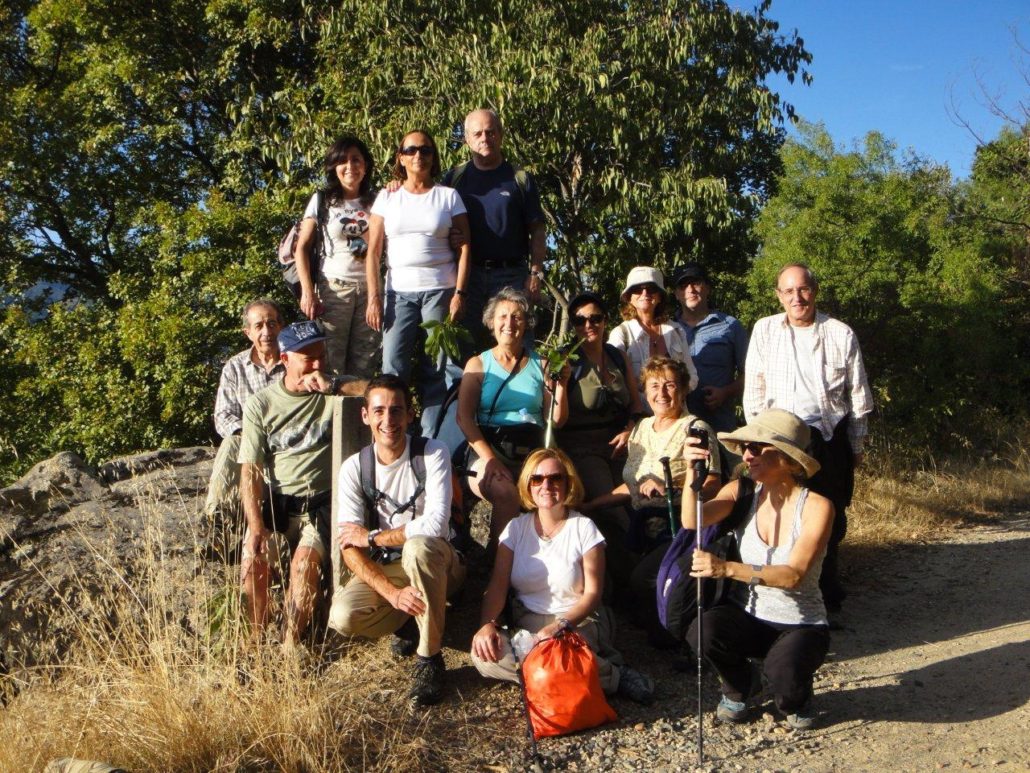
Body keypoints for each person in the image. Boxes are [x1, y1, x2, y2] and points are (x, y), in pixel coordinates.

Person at [683, 409, 833, 730]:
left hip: (801, 623)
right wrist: (691, 475)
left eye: (756, 447)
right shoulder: (742, 492)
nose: (747, 455)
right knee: (703, 631)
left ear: (787, 458)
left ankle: (796, 692)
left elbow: (793, 576)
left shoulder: (817, 507)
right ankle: (741, 685)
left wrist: (726, 568)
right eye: (744, 447)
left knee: (784, 683)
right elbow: (691, 520)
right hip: (749, 615)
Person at [470, 448, 655, 704]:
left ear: (568, 483)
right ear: (528, 485)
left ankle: (611, 677)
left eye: (555, 478)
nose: (546, 485)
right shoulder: (515, 529)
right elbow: (497, 587)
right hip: (529, 625)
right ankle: (569, 674)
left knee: (558, 652)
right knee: (483, 656)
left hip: (576, 622)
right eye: (537, 479)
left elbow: (593, 594)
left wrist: (560, 625)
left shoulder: (583, 527)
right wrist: (487, 624)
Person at [328, 374, 465, 705]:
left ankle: (429, 660)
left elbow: (436, 525)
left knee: (418, 547)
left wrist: (373, 538)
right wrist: (391, 593)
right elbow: (349, 545)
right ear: (365, 416)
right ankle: (406, 619)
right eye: (379, 411)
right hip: (391, 566)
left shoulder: (432, 453)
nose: (388, 420)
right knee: (343, 615)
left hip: (441, 560)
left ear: (410, 414)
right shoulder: (354, 468)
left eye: (396, 410)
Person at [743, 263, 873, 611]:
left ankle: (825, 597)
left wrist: (856, 446)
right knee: (779, 511)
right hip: (778, 439)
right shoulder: (765, 330)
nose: (797, 298)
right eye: (788, 291)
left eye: (803, 289)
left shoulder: (840, 333)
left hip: (826, 438)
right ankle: (778, 597)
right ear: (778, 295)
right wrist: (756, 443)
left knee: (829, 516)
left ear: (814, 291)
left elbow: (858, 396)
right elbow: (754, 390)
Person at [237, 320, 366, 649]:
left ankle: (290, 645)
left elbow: (379, 392)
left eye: (321, 355)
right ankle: (255, 639)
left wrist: (334, 385)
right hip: (279, 502)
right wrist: (255, 526)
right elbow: (250, 470)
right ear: (285, 359)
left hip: (320, 502)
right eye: (308, 358)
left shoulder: (333, 389)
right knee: (252, 560)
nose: (317, 364)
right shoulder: (261, 405)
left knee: (304, 564)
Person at [582, 356, 721, 642]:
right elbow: (633, 485)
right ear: (645, 392)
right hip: (641, 525)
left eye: (670, 384)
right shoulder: (642, 428)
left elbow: (713, 483)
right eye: (654, 386)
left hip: (677, 527)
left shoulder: (695, 428)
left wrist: (671, 489)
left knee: (640, 578)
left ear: (684, 389)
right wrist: (588, 507)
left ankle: (672, 628)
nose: (662, 393)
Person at [365, 130, 472, 437]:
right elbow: (373, 252)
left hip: (440, 289)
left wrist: (459, 294)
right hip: (397, 292)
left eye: (425, 150)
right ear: (401, 157)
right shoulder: (387, 196)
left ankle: (430, 440)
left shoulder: (448, 196)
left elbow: (466, 247)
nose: (418, 156)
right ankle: (391, 437)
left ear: (433, 156)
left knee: (436, 368)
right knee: (393, 367)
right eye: (411, 150)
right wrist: (374, 298)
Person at [456, 288, 569, 548]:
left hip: (532, 450)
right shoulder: (478, 364)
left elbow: (556, 420)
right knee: (506, 492)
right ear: (491, 322)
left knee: (556, 491)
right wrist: (490, 460)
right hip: (489, 449)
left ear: (526, 323)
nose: (510, 323)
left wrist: (561, 385)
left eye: (517, 317)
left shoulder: (542, 364)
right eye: (503, 316)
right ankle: (500, 562)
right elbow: (464, 418)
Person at [555, 291, 640, 593]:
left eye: (595, 318)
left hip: (622, 443)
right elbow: (557, 420)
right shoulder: (566, 359)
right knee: (613, 510)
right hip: (582, 448)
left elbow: (635, 403)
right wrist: (561, 382)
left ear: (605, 321)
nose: (588, 325)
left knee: (642, 502)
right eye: (580, 321)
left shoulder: (617, 356)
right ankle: (630, 581)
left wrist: (630, 428)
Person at [442, 108, 547, 349]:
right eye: (477, 133)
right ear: (467, 139)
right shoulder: (454, 179)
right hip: (467, 277)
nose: (484, 138)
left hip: (511, 276)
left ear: (500, 135)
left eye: (490, 132)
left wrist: (535, 273)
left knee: (517, 346)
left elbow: (537, 230)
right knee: (462, 348)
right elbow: (434, 222)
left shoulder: (520, 178)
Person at [292, 136, 379, 377]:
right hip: (334, 289)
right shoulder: (323, 200)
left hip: (370, 291)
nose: (350, 166)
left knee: (365, 363)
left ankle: (358, 403)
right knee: (330, 363)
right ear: (334, 167)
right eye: (343, 161)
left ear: (365, 165)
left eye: (356, 159)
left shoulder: (378, 201)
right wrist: (307, 292)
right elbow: (301, 248)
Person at [205, 299, 285, 524]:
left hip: (286, 444)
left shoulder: (294, 362)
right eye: (259, 326)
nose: (267, 332)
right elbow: (223, 416)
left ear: (281, 327)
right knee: (232, 443)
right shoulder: (235, 367)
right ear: (248, 333)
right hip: (248, 444)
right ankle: (216, 519)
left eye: (272, 324)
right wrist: (253, 437)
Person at [671, 262, 748, 435]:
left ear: (707, 288)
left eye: (696, 283)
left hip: (721, 427)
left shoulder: (731, 326)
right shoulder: (667, 329)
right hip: (678, 428)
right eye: (683, 286)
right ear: (676, 294)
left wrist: (725, 392)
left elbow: (753, 374)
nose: (690, 290)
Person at [608, 266, 698, 414]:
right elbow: (614, 383)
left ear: (660, 296)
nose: (645, 293)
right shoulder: (620, 334)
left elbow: (692, 375)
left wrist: (674, 396)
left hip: (677, 418)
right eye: (637, 289)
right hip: (638, 419)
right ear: (629, 297)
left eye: (651, 288)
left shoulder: (676, 331)